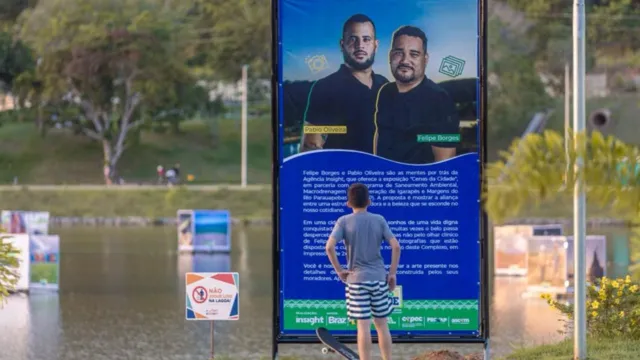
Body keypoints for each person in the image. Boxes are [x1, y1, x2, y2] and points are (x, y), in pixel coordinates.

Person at [325, 183, 401, 360]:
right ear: (369, 201)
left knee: (363, 326)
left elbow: (329, 247)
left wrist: (339, 271)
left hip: (356, 280)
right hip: (378, 278)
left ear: (348, 203)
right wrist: (392, 273)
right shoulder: (379, 219)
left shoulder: (343, 221)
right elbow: (396, 246)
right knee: (382, 325)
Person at [300, 14, 388, 153]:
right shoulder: (325, 88)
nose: (360, 46)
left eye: (366, 39)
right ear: (342, 45)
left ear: (375, 45)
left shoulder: (385, 85)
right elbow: (310, 147)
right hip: (345, 172)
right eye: (353, 39)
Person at [373, 25, 460, 164]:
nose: (405, 60)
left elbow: (445, 164)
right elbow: (380, 134)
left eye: (414, 54)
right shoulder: (385, 92)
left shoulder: (439, 99)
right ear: (390, 56)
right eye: (399, 52)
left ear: (425, 59)